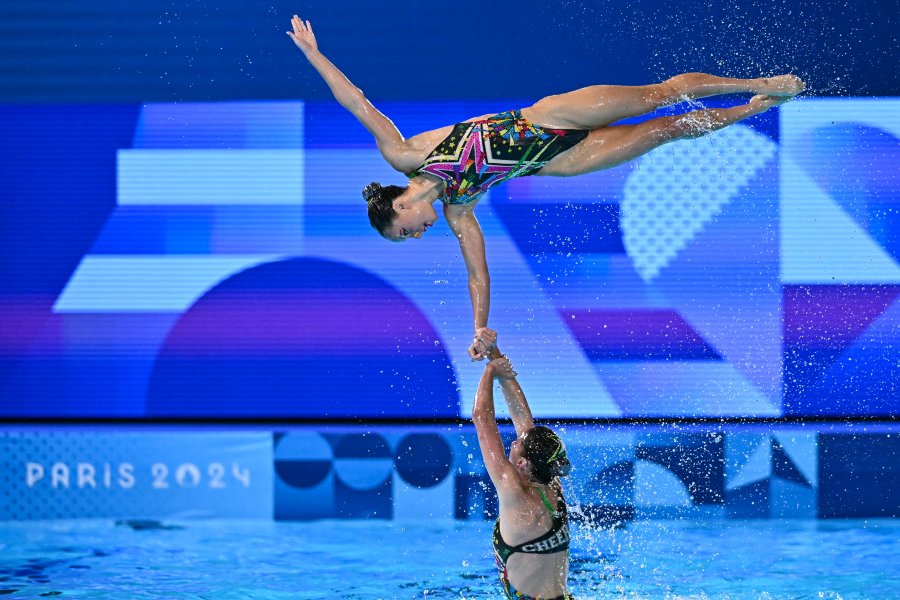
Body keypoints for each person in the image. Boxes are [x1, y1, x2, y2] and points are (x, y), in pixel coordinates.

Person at [286, 15, 805, 360]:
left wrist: (312, 53)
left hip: (548, 117)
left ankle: (757, 83)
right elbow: (477, 274)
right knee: (665, 132)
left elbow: (356, 102)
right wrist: (479, 328)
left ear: (396, 207)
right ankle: (751, 110)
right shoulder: (458, 210)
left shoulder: (403, 154)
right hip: (563, 160)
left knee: (657, 96)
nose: (416, 237)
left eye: (403, 233)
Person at [473, 346, 574, 599]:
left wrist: (489, 371)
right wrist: (494, 354)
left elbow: (482, 418)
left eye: (519, 442)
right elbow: (522, 417)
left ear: (523, 464)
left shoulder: (512, 490)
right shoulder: (551, 482)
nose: (515, 441)